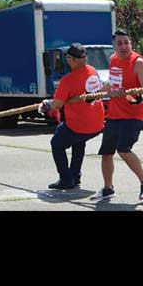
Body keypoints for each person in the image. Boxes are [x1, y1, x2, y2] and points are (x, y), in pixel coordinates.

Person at [90, 29, 143, 201]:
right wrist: (95, 95)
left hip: (133, 115)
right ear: (114, 46)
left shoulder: (138, 63)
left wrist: (140, 99)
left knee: (124, 150)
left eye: (126, 42)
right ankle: (108, 189)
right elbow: (113, 84)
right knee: (106, 152)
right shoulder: (113, 60)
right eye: (119, 43)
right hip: (114, 114)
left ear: (131, 43)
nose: (123, 46)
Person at [39, 43, 105, 190]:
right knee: (78, 142)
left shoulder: (67, 80)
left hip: (79, 125)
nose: (67, 61)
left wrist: (46, 104)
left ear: (74, 60)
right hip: (97, 124)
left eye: (68, 58)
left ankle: (66, 179)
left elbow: (57, 105)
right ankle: (75, 176)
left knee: (56, 144)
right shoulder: (93, 71)